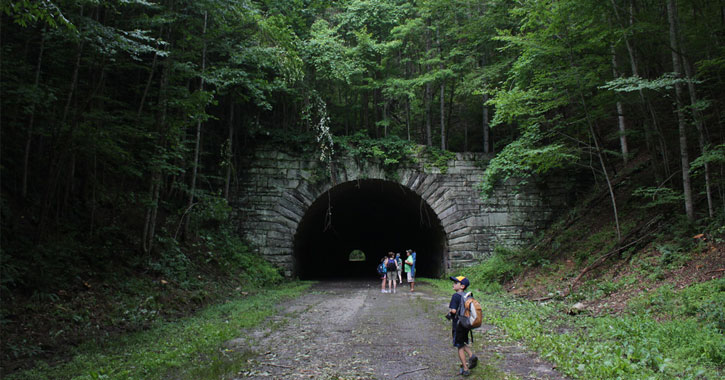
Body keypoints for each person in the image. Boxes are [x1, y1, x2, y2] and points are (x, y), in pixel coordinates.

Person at [446, 276, 478, 377]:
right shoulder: (467, 296)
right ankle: (471, 355)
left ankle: (465, 368)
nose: (454, 284)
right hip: (466, 324)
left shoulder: (455, 296)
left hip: (458, 325)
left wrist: (450, 311)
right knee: (462, 341)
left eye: (456, 283)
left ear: (462, 286)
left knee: (459, 346)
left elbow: (454, 311)